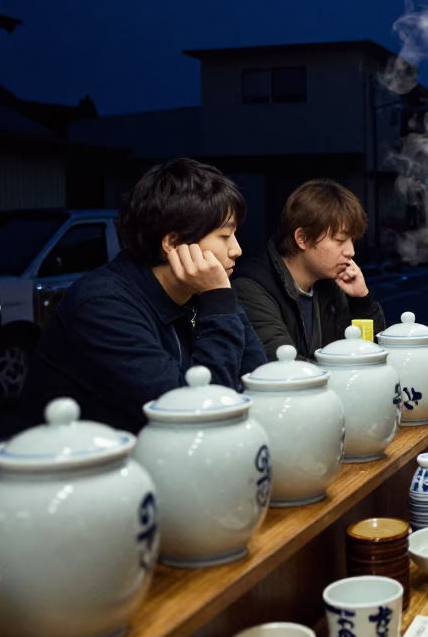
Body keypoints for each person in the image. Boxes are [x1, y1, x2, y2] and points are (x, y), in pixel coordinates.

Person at [29, 158, 267, 433]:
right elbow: (199, 412)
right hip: (84, 469)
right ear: (173, 243)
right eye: (225, 236)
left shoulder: (202, 290)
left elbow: (256, 381)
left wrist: (219, 297)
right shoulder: (103, 305)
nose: (236, 249)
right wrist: (219, 300)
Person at [232, 179, 385, 360]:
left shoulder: (331, 282)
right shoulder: (251, 288)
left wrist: (361, 301)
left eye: (353, 241)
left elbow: (370, 354)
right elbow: (285, 365)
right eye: (339, 240)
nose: (351, 252)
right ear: (302, 238)